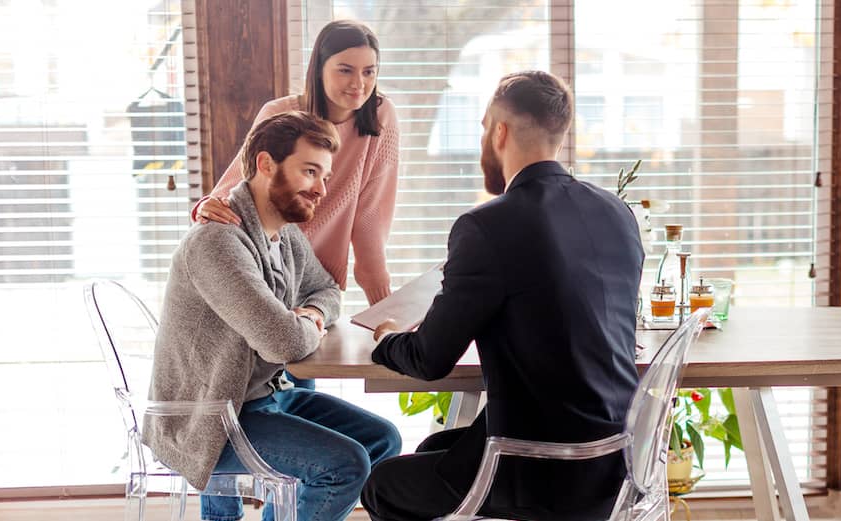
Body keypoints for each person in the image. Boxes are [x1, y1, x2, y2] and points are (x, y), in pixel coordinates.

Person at [360, 71, 644, 521]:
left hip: (538, 468)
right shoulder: (617, 212)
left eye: (483, 128)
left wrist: (386, 337)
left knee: (383, 487)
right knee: (436, 447)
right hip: (616, 464)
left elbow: (429, 359)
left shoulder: (486, 227)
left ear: (500, 131)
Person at [145, 111, 401, 521]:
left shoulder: (283, 234)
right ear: (266, 165)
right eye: (310, 172)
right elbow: (283, 342)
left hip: (265, 398)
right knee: (345, 465)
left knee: (382, 439)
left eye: (324, 175)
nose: (321, 188)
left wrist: (311, 312)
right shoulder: (218, 243)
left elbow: (328, 290)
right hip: (211, 418)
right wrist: (307, 324)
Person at [193, 19, 399, 306]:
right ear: (319, 69)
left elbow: (370, 218)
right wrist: (208, 205)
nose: (358, 84)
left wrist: (383, 306)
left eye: (369, 72)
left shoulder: (381, 116)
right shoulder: (280, 113)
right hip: (265, 268)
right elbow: (239, 183)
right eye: (345, 70)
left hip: (318, 284)